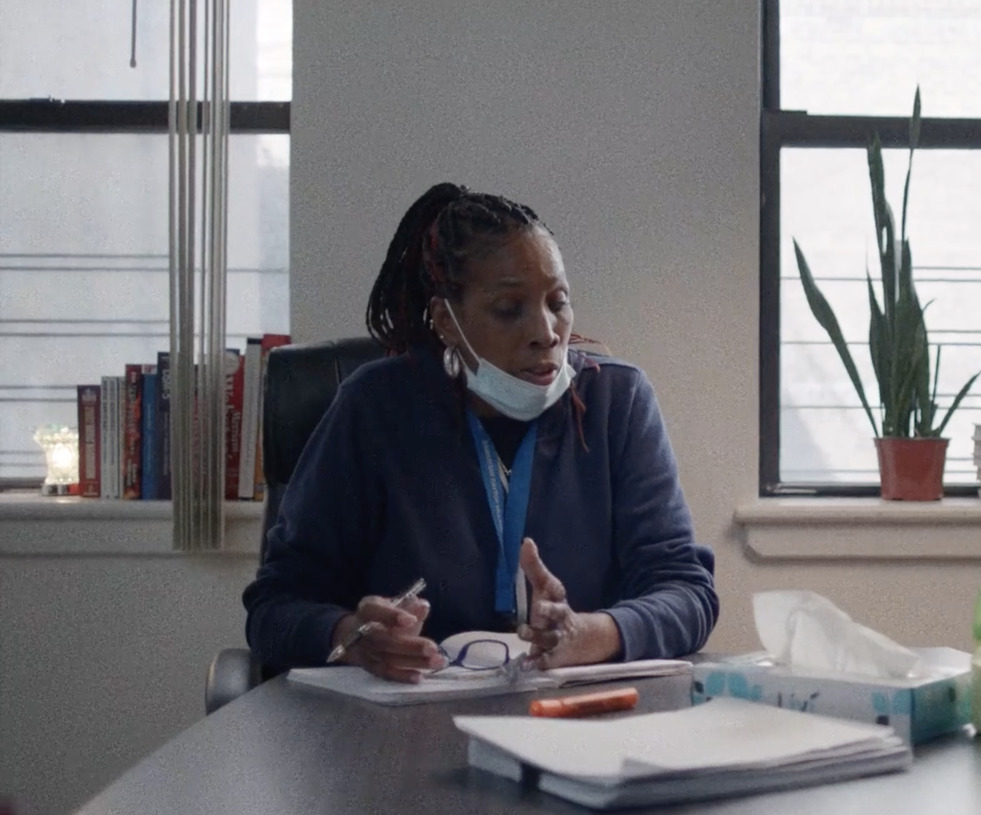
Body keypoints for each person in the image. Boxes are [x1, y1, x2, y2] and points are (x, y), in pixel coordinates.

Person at [243, 183, 718, 682]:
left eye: (557, 302)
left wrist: (590, 634)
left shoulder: (616, 402)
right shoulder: (375, 409)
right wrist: (350, 636)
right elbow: (275, 607)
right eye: (509, 309)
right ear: (447, 321)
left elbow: (687, 592)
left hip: (581, 722)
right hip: (409, 732)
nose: (546, 332)